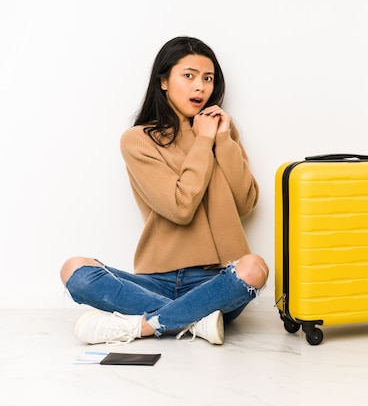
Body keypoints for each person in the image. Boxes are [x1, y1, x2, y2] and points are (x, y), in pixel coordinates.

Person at [60, 36, 269, 346]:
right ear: (164, 82)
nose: (200, 87)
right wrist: (202, 141)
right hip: (153, 282)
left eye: (208, 78)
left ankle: (143, 325)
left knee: (254, 267)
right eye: (189, 76)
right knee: (74, 268)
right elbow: (180, 208)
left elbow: (246, 202)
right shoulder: (137, 140)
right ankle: (195, 321)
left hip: (217, 282)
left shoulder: (222, 130)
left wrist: (222, 141)